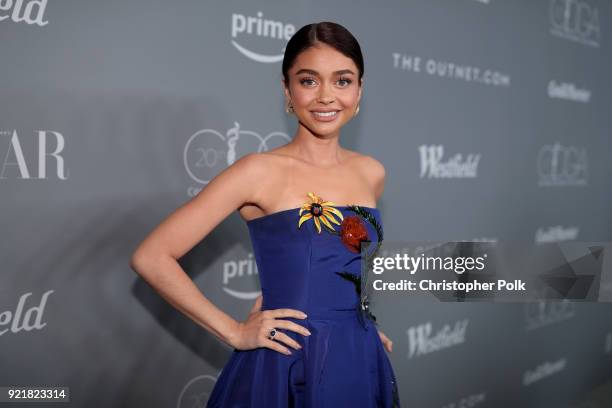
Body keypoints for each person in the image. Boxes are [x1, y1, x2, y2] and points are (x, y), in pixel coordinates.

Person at [130, 21, 400, 407]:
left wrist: (360, 324)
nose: (326, 96)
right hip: (288, 363)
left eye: (342, 80)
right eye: (309, 81)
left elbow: (345, 261)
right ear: (287, 89)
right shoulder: (258, 171)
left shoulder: (372, 173)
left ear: (359, 90)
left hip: (359, 358)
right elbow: (151, 256)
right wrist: (234, 331)